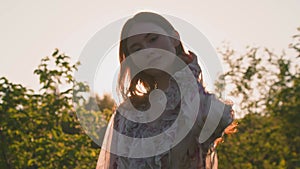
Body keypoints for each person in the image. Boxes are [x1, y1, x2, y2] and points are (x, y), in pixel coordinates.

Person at [96, 11, 236, 169]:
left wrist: (189, 72)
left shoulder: (204, 106)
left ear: (174, 38)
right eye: (137, 49)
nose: (148, 50)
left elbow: (210, 119)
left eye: (153, 39)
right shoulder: (127, 116)